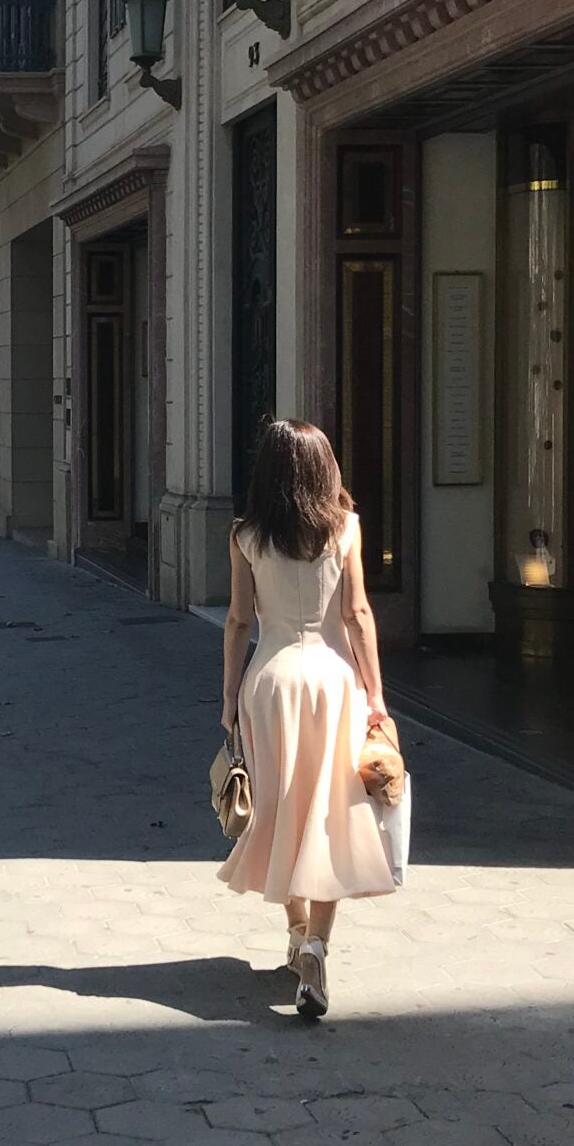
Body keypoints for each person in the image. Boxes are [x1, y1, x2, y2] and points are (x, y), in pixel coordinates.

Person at [217, 419, 406, 1020]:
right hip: (333, 682)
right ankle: (319, 944)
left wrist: (227, 699)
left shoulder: (246, 536)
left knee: (281, 808)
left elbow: (238, 622)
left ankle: (297, 934)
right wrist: (375, 693)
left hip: (269, 682)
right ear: (325, 469)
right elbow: (356, 614)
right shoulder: (346, 528)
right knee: (331, 812)